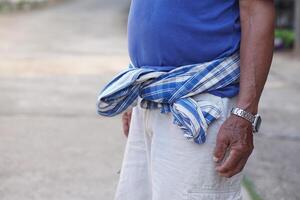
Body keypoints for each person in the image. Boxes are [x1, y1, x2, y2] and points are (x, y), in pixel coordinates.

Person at [97, 0, 275, 199]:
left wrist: (244, 114)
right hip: (150, 97)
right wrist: (136, 93)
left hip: (203, 105)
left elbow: (256, 10)